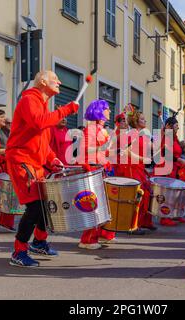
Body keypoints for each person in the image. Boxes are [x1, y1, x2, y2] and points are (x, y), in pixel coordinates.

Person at [6, 70, 79, 267]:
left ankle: (38, 242)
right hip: (21, 161)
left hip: (35, 163)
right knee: (35, 206)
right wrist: (66, 110)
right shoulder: (29, 100)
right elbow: (39, 123)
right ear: (43, 81)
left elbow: (42, 143)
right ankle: (18, 251)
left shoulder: (42, 105)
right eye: (56, 79)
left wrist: (52, 158)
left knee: (46, 205)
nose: (60, 82)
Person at [78, 100, 116, 250]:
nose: (109, 111)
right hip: (92, 170)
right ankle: (87, 240)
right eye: (107, 109)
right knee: (93, 205)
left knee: (101, 205)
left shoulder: (99, 129)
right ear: (99, 111)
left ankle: (99, 235)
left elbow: (103, 151)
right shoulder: (91, 129)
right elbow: (85, 150)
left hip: (100, 169)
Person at [121, 110, 157, 233]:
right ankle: (131, 226)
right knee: (137, 197)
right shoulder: (132, 133)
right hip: (132, 169)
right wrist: (142, 158)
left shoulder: (140, 134)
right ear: (136, 122)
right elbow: (125, 151)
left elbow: (156, 146)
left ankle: (141, 222)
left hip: (140, 169)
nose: (145, 121)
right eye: (142, 119)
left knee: (146, 195)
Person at [154, 116, 185, 227]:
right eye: (176, 125)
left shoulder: (174, 137)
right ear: (170, 126)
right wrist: (179, 159)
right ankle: (165, 217)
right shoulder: (167, 136)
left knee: (174, 194)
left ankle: (174, 214)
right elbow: (165, 152)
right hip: (167, 167)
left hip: (175, 168)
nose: (178, 127)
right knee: (167, 194)